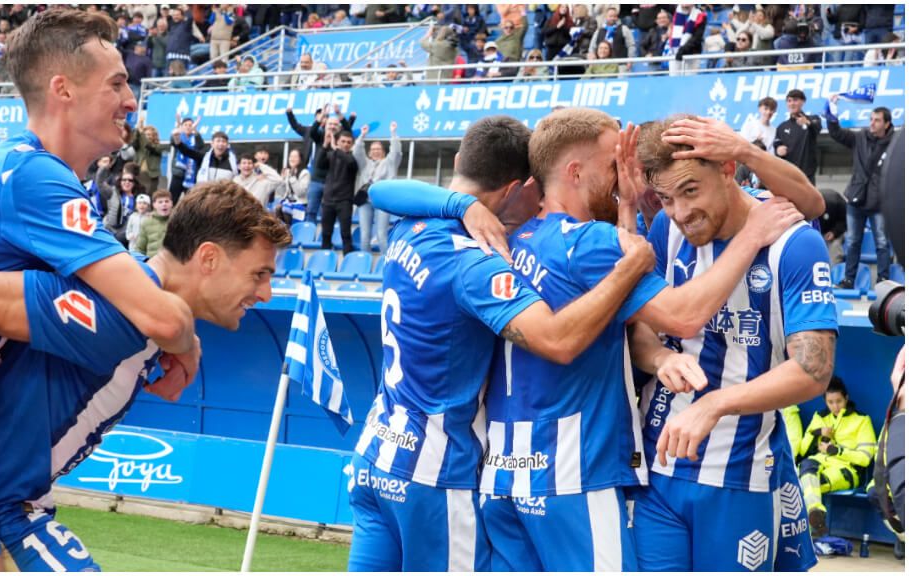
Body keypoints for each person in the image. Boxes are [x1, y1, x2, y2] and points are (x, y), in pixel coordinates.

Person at [371, 109, 816, 572]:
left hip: (501, 480)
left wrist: (622, 209)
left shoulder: (501, 237)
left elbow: (383, 192)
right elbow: (682, 316)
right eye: (613, 165)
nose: (624, 176)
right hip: (574, 478)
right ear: (576, 172)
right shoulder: (593, 244)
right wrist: (753, 235)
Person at [0, 11, 200, 570]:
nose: (131, 100)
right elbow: (162, 316)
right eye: (118, 83)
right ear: (63, 89)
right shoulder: (34, 175)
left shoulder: (34, 171)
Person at [0, 182, 290, 571]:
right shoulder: (119, 309)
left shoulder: (144, 310)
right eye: (258, 274)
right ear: (208, 258)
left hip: (10, 505)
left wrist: (182, 339)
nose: (267, 292)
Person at [349, 115, 660, 572]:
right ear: (521, 187)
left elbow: (378, 190)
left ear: (458, 161)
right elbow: (557, 340)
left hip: (375, 453)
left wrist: (458, 203)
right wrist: (630, 269)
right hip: (435, 472)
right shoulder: (475, 264)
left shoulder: (409, 224)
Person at [631, 115, 837, 571]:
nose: (681, 212)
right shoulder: (665, 230)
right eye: (666, 198)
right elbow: (642, 331)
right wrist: (661, 355)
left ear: (727, 170)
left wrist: (715, 404)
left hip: (738, 473)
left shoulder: (792, 243)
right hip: (654, 472)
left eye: (690, 191)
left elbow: (813, 369)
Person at [797, 377, 878, 536]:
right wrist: (817, 432)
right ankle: (816, 512)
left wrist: (838, 451)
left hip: (847, 470)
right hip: (819, 463)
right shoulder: (820, 417)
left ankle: (816, 518)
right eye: (830, 402)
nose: (835, 406)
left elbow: (865, 458)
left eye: (839, 401)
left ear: (846, 398)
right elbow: (803, 449)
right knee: (806, 466)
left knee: (808, 484)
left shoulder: (862, 420)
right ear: (825, 401)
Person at [826, 100, 894, 287]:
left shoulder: (896, 144)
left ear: (886, 124)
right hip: (855, 200)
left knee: (882, 243)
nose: (872, 123)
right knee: (853, 242)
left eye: (877, 120)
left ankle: (883, 280)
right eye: (871, 119)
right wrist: (832, 112)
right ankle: (849, 279)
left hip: (879, 203)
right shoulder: (860, 137)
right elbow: (836, 133)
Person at [353, 122, 401, 254]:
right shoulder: (365, 164)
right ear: (369, 152)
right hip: (365, 201)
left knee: (381, 234)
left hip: (382, 200)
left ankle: (386, 262)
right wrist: (362, 135)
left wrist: (393, 133)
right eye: (373, 149)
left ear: (383, 152)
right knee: (364, 235)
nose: (375, 151)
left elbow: (396, 151)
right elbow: (357, 151)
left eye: (378, 149)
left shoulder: (389, 163)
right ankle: (364, 263)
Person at [773, 89, 821, 184]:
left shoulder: (813, 119)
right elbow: (777, 145)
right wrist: (778, 150)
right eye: (789, 101)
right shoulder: (782, 127)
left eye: (795, 100)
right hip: (788, 175)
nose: (792, 104)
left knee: (808, 199)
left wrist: (807, 122)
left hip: (807, 175)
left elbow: (817, 127)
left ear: (802, 102)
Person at [102, 164, 144, 246]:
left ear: (134, 183)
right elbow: (100, 184)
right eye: (124, 180)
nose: (127, 182)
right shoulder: (114, 193)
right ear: (120, 182)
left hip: (126, 232)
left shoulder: (139, 197)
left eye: (130, 180)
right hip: (111, 227)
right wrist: (104, 167)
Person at [168, 116, 205, 203]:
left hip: (191, 174)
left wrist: (195, 130)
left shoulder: (195, 138)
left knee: (190, 201)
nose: (188, 127)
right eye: (186, 125)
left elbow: (201, 145)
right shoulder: (179, 137)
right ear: (182, 126)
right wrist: (178, 127)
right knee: (172, 199)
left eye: (190, 125)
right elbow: (173, 140)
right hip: (178, 173)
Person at [664, 4, 706, 77]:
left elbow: (697, 38)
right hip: (675, 53)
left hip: (691, 55)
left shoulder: (700, 15)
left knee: (690, 82)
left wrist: (683, 50)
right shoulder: (676, 11)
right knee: (674, 81)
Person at [274, 149, 311, 226]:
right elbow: (281, 193)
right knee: (277, 208)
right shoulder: (288, 172)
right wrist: (282, 180)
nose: (292, 159)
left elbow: (300, 193)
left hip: (301, 205)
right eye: (290, 156)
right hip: (288, 204)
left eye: (295, 157)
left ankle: (290, 231)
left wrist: (292, 177)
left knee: (285, 208)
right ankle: (283, 232)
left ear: (300, 159)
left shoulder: (305, 173)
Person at [136, 189, 173, 257]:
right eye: (160, 202)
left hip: (172, 264)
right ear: (154, 205)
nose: (164, 204)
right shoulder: (146, 222)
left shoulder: (178, 221)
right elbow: (140, 249)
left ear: (171, 203)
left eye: (167, 201)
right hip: (152, 263)